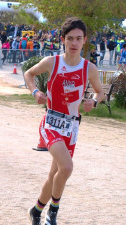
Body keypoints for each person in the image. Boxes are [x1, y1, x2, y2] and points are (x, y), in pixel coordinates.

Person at [24, 17, 104, 225]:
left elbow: (100, 93)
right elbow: (28, 73)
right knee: (66, 168)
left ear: (85, 40)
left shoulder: (89, 69)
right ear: (63, 40)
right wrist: (34, 91)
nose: (74, 43)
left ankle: (36, 210)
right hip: (51, 122)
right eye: (70, 39)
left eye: (78, 39)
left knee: (54, 175)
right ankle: (53, 212)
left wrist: (93, 102)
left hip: (72, 126)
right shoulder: (53, 62)